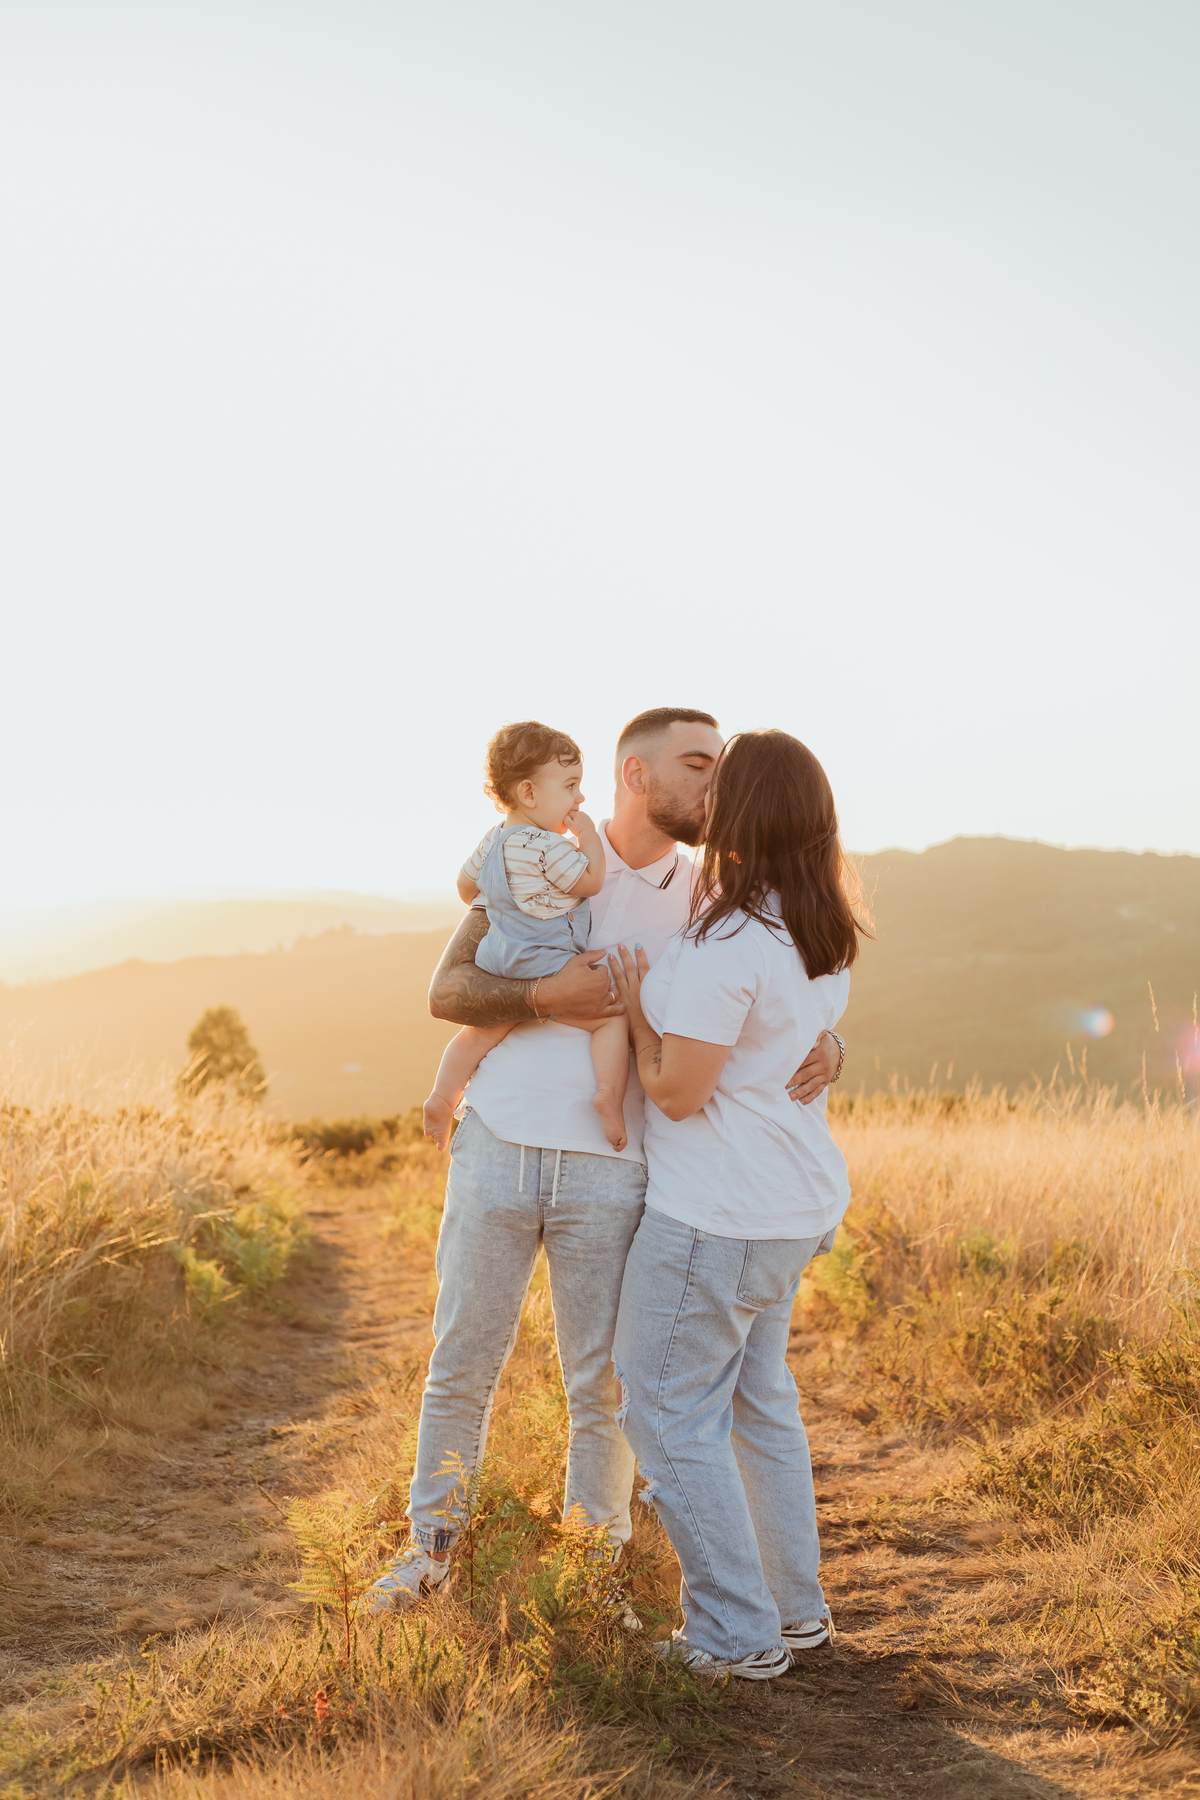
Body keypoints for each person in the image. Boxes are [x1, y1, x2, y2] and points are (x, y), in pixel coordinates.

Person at [363, 709, 846, 1614]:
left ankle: (593, 1570)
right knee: (463, 1358)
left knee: (602, 1382)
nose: (716, 785)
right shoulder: (544, 857)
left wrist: (837, 1041)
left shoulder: (713, 897)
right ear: (636, 773)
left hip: (618, 1172)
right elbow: (449, 989)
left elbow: (782, 989)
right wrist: (548, 994)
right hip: (498, 1143)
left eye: (721, 769)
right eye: (698, 765)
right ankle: (430, 1553)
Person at [609, 729, 863, 1681]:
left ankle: (734, 1634)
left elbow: (677, 1091)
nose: (705, 798)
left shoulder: (731, 941)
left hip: (717, 1214)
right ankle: (795, 1613)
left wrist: (637, 1009)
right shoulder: (817, 925)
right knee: (759, 1406)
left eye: (723, 784)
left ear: (745, 811)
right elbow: (803, 1035)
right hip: (789, 1205)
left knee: (665, 1412)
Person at [422, 721, 632, 1154]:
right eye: (571, 786)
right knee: (610, 1018)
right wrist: (589, 836)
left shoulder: (494, 838)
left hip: (497, 959)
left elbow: (466, 889)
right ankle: (609, 1095)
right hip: (546, 961)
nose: (580, 798)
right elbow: (590, 882)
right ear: (530, 794)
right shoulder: (548, 847)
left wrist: (503, 900)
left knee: (475, 1036)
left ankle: (442, 1098)